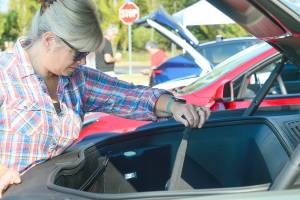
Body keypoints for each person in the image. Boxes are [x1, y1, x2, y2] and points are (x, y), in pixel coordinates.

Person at [0, 0, 210, 197]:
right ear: (49, 40)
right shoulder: (4, 74)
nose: (82, 62)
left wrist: (174, 106)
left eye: (87, 55)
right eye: (79, 53)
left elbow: (130, 96)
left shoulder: (78, 80)